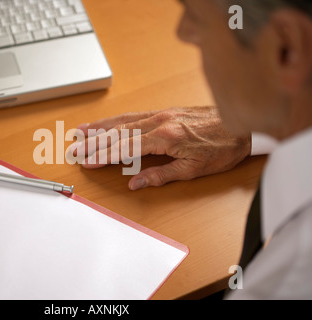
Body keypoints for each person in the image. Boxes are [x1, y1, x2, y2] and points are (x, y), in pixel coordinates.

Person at [72, 0, 312, 299]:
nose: (183, 32)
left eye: (197, 16)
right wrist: (252, 125)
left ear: (286, 48)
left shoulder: (289, 277)